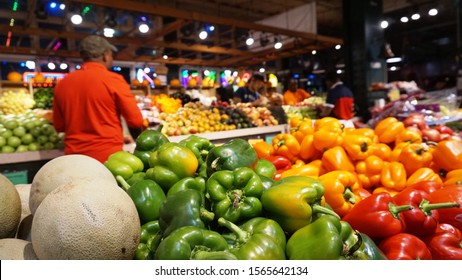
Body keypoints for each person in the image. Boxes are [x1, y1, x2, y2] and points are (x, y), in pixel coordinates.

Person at [53, 35, 144, 163]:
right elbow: (136, 121)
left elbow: (59, 126)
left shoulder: (62, 84)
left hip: (74, 160)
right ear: (105, 55)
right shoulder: (113, 80)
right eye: (111, 54)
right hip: (108, 159)